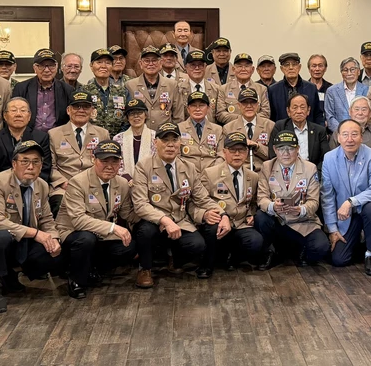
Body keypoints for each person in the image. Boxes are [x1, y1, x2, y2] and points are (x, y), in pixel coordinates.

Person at [0, 140, 63, 314]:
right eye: (25, 161)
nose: (30, 166)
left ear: (41, 166)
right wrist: (35, 233)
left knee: (53, 250)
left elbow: (46, 219)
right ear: (14, 164)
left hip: (21, 241)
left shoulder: (41, 185)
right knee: (2, 236)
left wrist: (54, 238)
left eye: (36, 162)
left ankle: (10, 274)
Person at [131, 122, 219, 286]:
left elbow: (202, 198)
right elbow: (140, 205)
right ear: (155, 142)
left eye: (174, 140)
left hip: (179, 220)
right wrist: (164, 220)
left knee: (197, 245)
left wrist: (222, 213)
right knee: (145, 232)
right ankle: (145, 268)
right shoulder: (144, 166)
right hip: (153, 221)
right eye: (165, 140)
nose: (170, 145)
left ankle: (173, 256)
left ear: (180, 143)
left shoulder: (188, 167)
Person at [56, 141, 135, 299]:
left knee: (129, 246)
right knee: (86, 239)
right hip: (73, 232)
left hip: (100, 234)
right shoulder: (78, 182)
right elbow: (79, 220)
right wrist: (113, 228)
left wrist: (158, 218)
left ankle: (93, 268)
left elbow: (128, 213)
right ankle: (76, 280)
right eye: (104, 161)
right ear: (94, 159)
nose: (110, 166)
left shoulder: (122, 183)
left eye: (115, 161)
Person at [321, 119, 371, 274]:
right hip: (345, 216)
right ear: (338, 137)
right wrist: (332, 229)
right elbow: (327, 196)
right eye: (345, 135)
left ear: (361, 137)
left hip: (369, 208)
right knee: (339, 259)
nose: (349, 139)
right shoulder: (329, 158)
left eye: (354, 134)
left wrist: (350, 202)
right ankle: (362, 244)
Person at [255, 131, 328, 268]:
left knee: (321, 247)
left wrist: (301, 210)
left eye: (290, 148)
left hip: (302, 222)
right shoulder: (267, 166)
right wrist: (272, 206)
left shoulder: (309, 168)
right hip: (278, 220)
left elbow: (314, 201)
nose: (286, 153)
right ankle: (271, 251)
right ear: (275, 149)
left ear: (298, 149)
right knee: (261, 217)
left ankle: (299, 252)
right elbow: (261, 197)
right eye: (281, 148)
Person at [200, 133, 263, 268]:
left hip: (240, 223)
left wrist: (251, 214)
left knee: (255, 241)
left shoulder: (253, 176)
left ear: (247, 153)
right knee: (212, 228)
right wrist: (208, 214)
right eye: (233, 150)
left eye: (241, 150)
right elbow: (201, 200)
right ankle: (207, 264)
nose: (237, 154)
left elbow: (253, 202)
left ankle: (233, 259)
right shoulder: (210, 173)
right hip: (219, 222)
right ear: (224, 152)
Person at [48, 91, 111, 212]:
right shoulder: (54, 134)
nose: (81, 110)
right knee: (60, 204)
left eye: (86, 107)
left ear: (92, 111)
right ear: (68, 110)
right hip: (64, 186)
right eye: (77, 106)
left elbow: (106, 164)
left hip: (93, 185)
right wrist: (64, 183)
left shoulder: (102, 134)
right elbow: (51, 166)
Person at [0, 97, 53, 180]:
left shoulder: (41, 138)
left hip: (33, 184)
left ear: (29, 116)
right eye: (13, 110)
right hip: (2, 185)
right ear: (5, 116)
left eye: (23, 110)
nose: (18, 114)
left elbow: (44, 169)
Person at [13, 48, 74, 133]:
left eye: (51, 66)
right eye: (42, 66)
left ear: (57, 67)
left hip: (57, 136)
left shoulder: (67, 90)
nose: (46, 70)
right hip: (29, 135)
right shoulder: (22, 88)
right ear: (34, 67)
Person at [126, 45, 185, 129]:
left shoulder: (172, 85)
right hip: (140, 133)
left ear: (160, 63)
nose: (151, 64)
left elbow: (178, 117)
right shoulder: (130, 85)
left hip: (165, 134)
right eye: (147, 61)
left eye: (154, 61)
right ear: (141, 64)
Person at [269, 93, 330, 170]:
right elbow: (273, 154)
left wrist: (314, 173)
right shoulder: (280, 127)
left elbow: (325, 158)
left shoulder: (319, 131)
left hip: (312, 171)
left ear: (308, 110)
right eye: (295, 108)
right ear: (288, 111)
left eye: (302, 107)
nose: (299, 111)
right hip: (286, 171)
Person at [224, 87, 276, 172]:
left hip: (264, 171)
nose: (249, 106)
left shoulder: (270, 126)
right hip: (240, 171)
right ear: (238, 105)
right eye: (245, 103)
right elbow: (226, 155)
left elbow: (274, 154)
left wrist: (258, 147)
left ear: (258, 105)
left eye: (252, 102)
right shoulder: (229, 128)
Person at [83, 48, 129, 138]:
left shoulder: (122, 92)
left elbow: (129, 117)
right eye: (99, 62)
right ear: (91, 66)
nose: (103, 66)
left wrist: (118, 137)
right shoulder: (84, 92)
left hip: (118, 140)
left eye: (108, 63)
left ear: (112, 66)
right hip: (91, 139)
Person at [213, 52, 270, 124]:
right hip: (231, 128)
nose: (243, 69)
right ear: (233, 69)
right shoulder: (224, 89)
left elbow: (266, 113)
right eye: (239, 66)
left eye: (246, 66)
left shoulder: (261, 89)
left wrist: (249, 120)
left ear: (252, 69)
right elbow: (220, 114)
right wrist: (243, 119)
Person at [268, 52, 322, 123]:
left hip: (307, 129)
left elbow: (318, 115)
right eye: (287, 65)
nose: (291, 68)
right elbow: (271, 117)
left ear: (299, 67)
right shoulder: (273, 90)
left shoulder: (311, 88)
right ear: (281, 69)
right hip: (281, 129)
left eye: (294, 64)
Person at [178, 91, 224, 175]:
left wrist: (212, 172)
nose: (197, 109)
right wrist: (187, 172)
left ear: (208, 108)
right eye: (193, 106)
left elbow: (221, 155)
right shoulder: (179, 128)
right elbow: (177, 156)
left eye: (202, 105)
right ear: (188, 109)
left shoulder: (217, 129)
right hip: (187, 174)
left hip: (212, 174)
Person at [113, 98, 156, 182]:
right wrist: (127, 178)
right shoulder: (118, 138)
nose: (136, 116)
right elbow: (116, 163)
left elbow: (157, 162)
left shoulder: (155, 137)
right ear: (127, 118)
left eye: (139, 113)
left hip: (149, 181)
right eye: (132, 114)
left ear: (145, 115)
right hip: (124, 182)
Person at [323, 57, 369, 133]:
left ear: (358, 72)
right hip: (338, 134)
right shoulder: (332, 91)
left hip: (361, 134)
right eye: (345, 70)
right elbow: (329, 116)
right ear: (341, 73)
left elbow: (368, 115)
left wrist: (358, 132)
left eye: (352, 69)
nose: (349, 73)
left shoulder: (367, 90)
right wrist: (343, 132)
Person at [306, 54, 332, 120]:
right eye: (314, 66)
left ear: (325, 68)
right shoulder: (303, 88)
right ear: (309, 69)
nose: (317, 69)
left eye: (320, 66)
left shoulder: (331, 89)